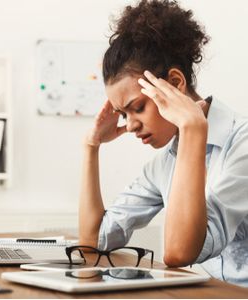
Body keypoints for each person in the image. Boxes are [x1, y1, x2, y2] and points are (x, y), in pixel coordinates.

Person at [79, 0, 248, 287]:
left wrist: (193, 127)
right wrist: (91, 146)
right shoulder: (162, 165)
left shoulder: (242, 144)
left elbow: (180, 253)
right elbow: (92, 242)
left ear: (174, 82)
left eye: (137, 107)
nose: (130, 125)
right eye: (122, 114)